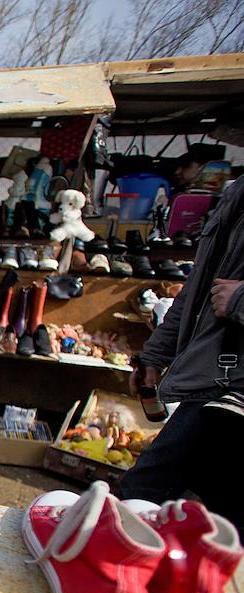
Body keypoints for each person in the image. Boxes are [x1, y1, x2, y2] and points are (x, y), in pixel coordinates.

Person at [121, 177, 243, 530]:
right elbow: (198, 288)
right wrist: (154, 355)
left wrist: (240, 301)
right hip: (214, 385)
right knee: (140, 497)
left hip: (235, 394)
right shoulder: (236, 192)